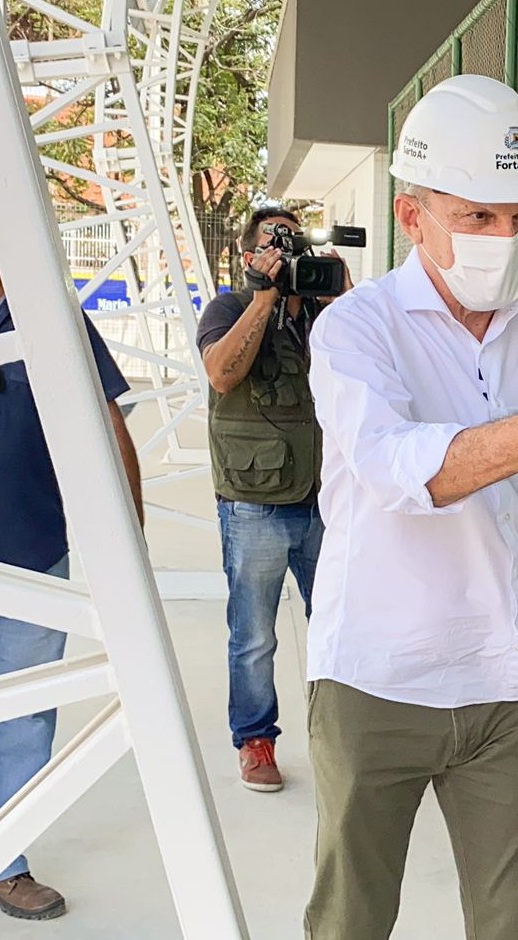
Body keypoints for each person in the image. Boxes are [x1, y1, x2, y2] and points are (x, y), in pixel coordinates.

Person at [302, 74, 518, 940]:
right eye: (477, 217)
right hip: (378, 674)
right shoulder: (358, 329)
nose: (503, 239)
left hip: (510, 675)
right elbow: (392, 470)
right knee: (351, 918)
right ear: (414, 217)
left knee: (515, 923)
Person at [0, 130, 140, 920]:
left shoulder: (50, 313)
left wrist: (131, 547)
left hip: (27, 558)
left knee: (17, 721)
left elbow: (106, 424)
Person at [197, 206, 343, 792]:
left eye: (292, 242)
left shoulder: (321, 313)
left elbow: (370, 372)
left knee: (337, 621)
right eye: (271, 242)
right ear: (248, 255)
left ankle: (339, 733)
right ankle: (256, 740)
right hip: (253, 500)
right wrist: (263, 300)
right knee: (254, 633)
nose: (285, 254)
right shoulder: (228, 308)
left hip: (325, 494)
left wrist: (343, 301)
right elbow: (221, 374)